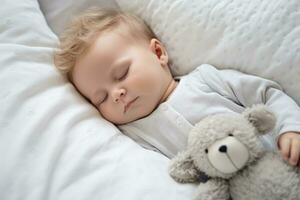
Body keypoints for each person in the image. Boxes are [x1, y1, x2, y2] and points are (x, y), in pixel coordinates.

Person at [54, 7, 300, 167]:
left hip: (284, 159)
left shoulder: (206, 79)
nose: (116, 94)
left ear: (158, 52)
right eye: (101, 98)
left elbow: (268, 94)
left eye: (122, 73)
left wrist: (290, 129)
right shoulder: (135, 137)